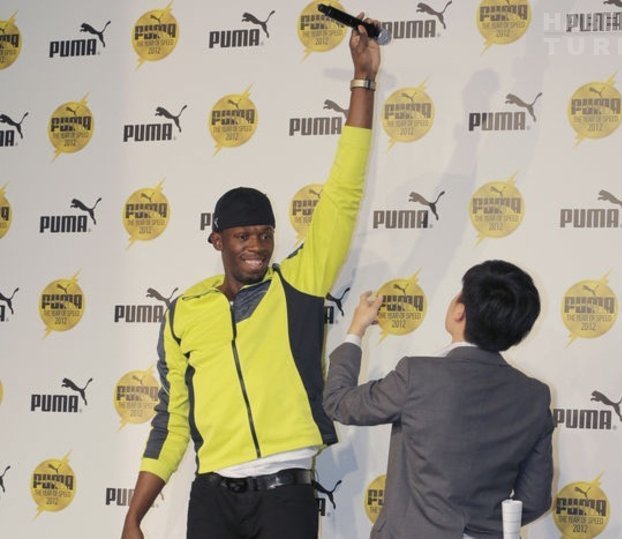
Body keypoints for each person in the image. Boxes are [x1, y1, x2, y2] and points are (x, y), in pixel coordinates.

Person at [121, 15, 381, 539]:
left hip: (284, 496)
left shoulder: (298, 285)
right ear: (217, 241)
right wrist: (134, 516)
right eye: (243, 236)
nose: (258, 246)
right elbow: (173, 421)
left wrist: (363, 81)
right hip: (211, 498)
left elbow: (343, 193)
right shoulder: (184, 312)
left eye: (265, 234)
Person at [323, 260, 554, 539]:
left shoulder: (417, 376)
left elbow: (338, 402)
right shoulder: (534, 396)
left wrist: (356, 330)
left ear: (459, 311)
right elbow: (535, 499)